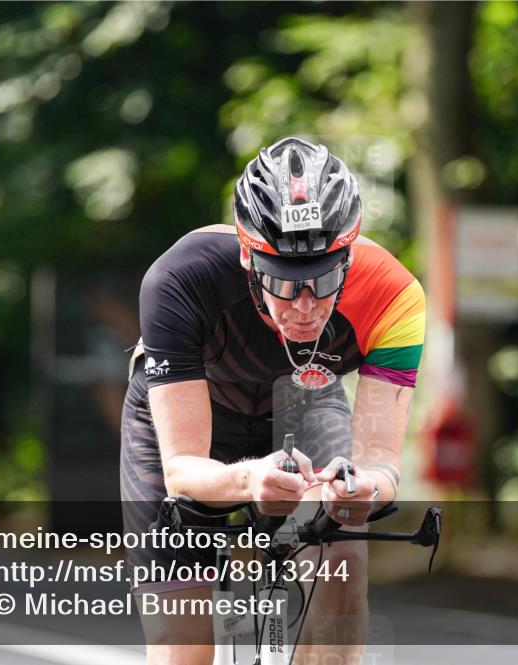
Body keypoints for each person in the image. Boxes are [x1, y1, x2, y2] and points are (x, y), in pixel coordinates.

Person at [121, 136, 425, 664]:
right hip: (194, 417)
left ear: (349, 258)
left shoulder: (394, 297)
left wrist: (358, 489)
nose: (304, 306)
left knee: (345, 554)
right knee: (182, 654)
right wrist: (246, 479)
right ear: (248, 255)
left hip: (305, 399)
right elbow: (184, 470)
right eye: (283, 282)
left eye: (325, 279)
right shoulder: (180, 278)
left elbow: (382, 466)